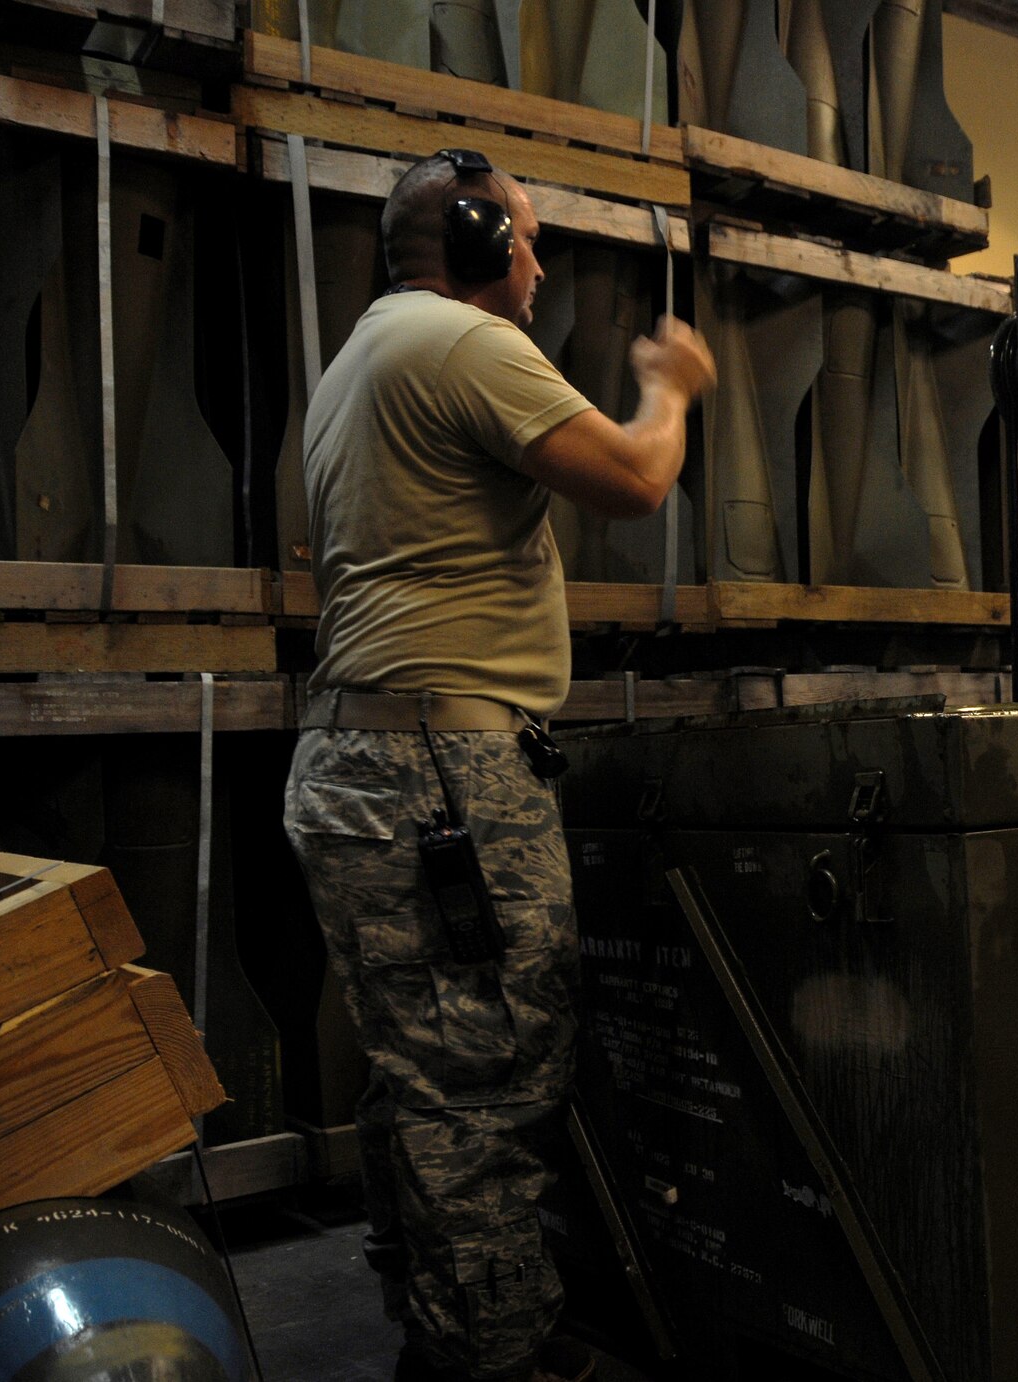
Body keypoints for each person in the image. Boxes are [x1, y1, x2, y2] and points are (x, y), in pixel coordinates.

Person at [282, 149, 714, 1382]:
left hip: (367, 757)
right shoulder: (460, 343)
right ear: (473, 239)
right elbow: (635, 479)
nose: (535, 266)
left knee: (419, 1065)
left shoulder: (360, 356)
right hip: (442, 771)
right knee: (486, 1075)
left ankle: (441, 1323)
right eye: (524, 240)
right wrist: (668, 385)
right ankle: (498, 1358)